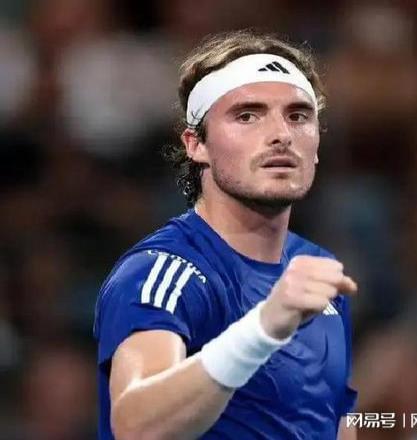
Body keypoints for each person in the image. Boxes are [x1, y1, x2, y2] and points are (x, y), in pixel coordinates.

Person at [94, 30, 358, 440]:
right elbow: (136, 427)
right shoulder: (161, 272)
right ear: (196, 144)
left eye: (298, 116)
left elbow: (332, 423)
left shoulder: (318, 272)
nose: (281, 134)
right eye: (247, 115)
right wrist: (262, 329)